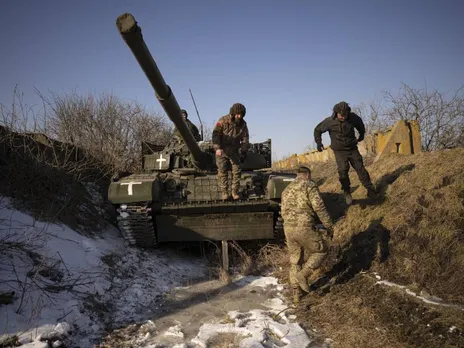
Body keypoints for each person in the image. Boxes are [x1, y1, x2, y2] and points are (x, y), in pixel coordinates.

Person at [281, 165, 334, 304]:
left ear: (297, 175)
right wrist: (328, 225)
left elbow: (283, 211)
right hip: (303, 226)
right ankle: (303, 275)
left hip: (288, 229)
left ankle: (296, 296)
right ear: (307, 175)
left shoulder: (286, 189)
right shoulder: (309, 185)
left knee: (295, 260)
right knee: (322, 250)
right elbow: (319, 206)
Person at [314, 101, 377, 205]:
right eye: (340, 115)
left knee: (360, 168)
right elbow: (317, 130)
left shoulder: (353, 118)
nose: (343, 117)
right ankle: (347, 192)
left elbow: (360, 125)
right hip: (339, 151)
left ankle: (370, 189)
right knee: (343, 170)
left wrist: (361, 135)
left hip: (352, 148)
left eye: (345, 115)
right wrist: (319, 142)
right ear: (336, 113)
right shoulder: (329, 122)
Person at [212, 103, 250, 200]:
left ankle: (234, 192)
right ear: (233, 113)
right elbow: (216, 134)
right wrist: (217, 148)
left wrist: (244, 151)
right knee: (222, 171)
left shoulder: (243, 124)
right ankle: (225, 192)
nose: (239, 116)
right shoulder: (223, 120)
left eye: (241, 114)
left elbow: (245, 139)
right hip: (222, 150)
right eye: (237, 114)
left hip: (234, 150)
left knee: (237, 171)